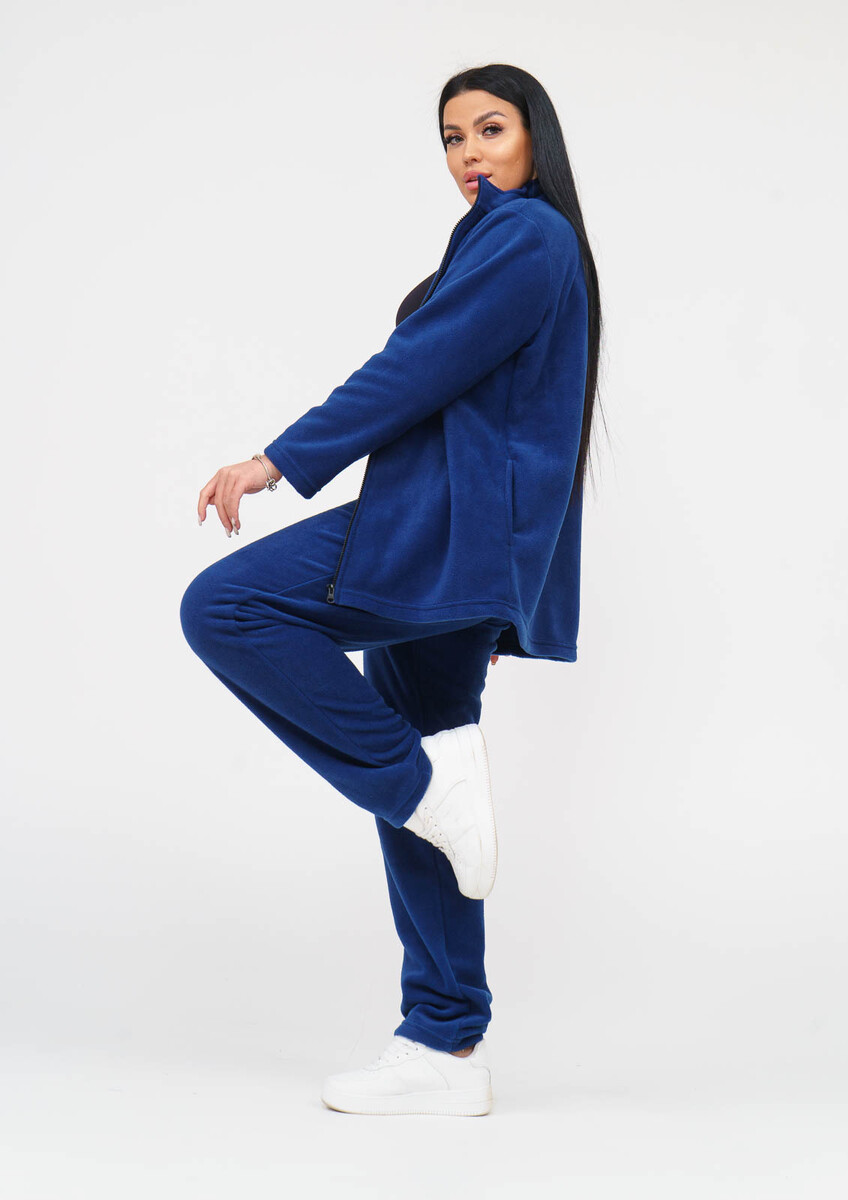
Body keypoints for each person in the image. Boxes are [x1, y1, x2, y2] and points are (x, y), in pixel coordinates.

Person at [179, 63, 605, 1117]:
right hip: (459, 540)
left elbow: (413, 371)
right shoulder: (508, 239)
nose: (469, 155)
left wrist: (276, 461)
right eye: (452, 138)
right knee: (432, 760)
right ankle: (443, 1045)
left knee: (226, 607)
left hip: (443, 533)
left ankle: (422, 790)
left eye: (491, 130)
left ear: (535, 137)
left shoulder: (527, 236)